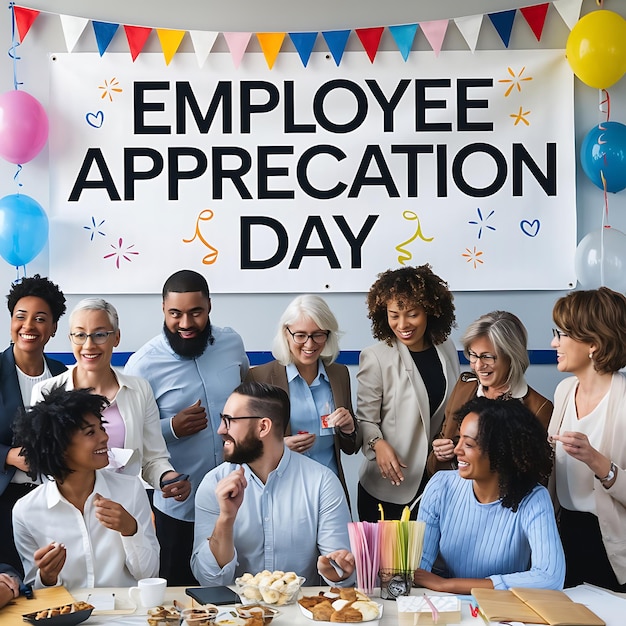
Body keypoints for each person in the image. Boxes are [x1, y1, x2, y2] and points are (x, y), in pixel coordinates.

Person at [124, 269, 249, 585]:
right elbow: (129, 438)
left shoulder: (233, 342)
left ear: (209, 306)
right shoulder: (142, 364)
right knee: (177, 598)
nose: (185, 324)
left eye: (196, 313)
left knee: (236, 592)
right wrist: (173, 427)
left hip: (238, 499)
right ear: (163, 310)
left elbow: (250, 397)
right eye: (175, 314)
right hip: (179, 507)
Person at [191, 381, 355, 587]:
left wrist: (336, 573)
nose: (220, 430)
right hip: (234, 614)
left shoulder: (322, 482)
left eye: (229, 420)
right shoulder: (214, 483)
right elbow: (208, 579)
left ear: (263, 427)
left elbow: (343, 575)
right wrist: (226, 518)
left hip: (299, 614)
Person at [31, 298, 191, 502]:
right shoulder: (47, 392)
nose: (89, 345)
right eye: (80, 335)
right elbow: (42, 464)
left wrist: (167, 479)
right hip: (69, 510)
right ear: (71, 338)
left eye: (99, 335)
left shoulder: (139, 390)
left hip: (126, 507)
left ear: (116, 337)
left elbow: (153, 459)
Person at [12, 387, 159, 589]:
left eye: (102, 428)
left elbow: (150, 575)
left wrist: (130, 530)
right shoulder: (26, 511)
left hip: (125, 617)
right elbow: (35, 594)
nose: (104, 437)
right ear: (60, 446)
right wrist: (47, 577)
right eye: (90, 432)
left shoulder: (130, 490)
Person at [414, 397, 565, 593]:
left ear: (500, 451)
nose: (457, 450)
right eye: (459, 439)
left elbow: (550, 577)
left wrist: (447, 584)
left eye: (468, 444)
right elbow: (418, 568)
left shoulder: (534, 499)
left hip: (504, 614)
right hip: (448, 608)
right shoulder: (440, 486)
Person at [356, 264, 459, 522]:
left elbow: (452, 408)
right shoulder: (376, 357)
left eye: (412, 314)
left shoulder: (445, 347)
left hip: (437, 482)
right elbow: (365, 419)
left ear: (430, 311)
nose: (402, 324)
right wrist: (377, 444)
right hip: (389, 488)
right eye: (394, 315)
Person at [549, 287, 626, 592]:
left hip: (610, 546)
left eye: (561, 334)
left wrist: (596, 460)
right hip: (564, 535)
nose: (554, 343)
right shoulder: (565, 391)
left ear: (593, 343)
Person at [246, 295, 357, 501]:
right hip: (282, 491)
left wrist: (349, 428)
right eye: (300, 335)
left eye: (318, 335)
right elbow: (245, 445)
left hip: (330, 491)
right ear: (286, 334)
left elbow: (350, 447)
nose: (310, 343)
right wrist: (278, 448)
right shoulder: (259, 377)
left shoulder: (339, 374)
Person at [428, 311, 552, 475]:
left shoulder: (539, 408)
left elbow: (535, 477)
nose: (478, 366)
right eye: (473, 355)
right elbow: (436, 460)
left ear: (512, 356)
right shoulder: (465, 385)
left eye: (487, 357)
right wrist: (440, 455)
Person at [0, 275, 67, 575]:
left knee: (53, 582)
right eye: (21, 317)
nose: (28, 326)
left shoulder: (61, 373)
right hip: (5, 501)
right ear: (11, 321)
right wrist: (8, 455)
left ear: (52, 328)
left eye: (40, 319)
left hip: (53, 500)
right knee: (12, 583)